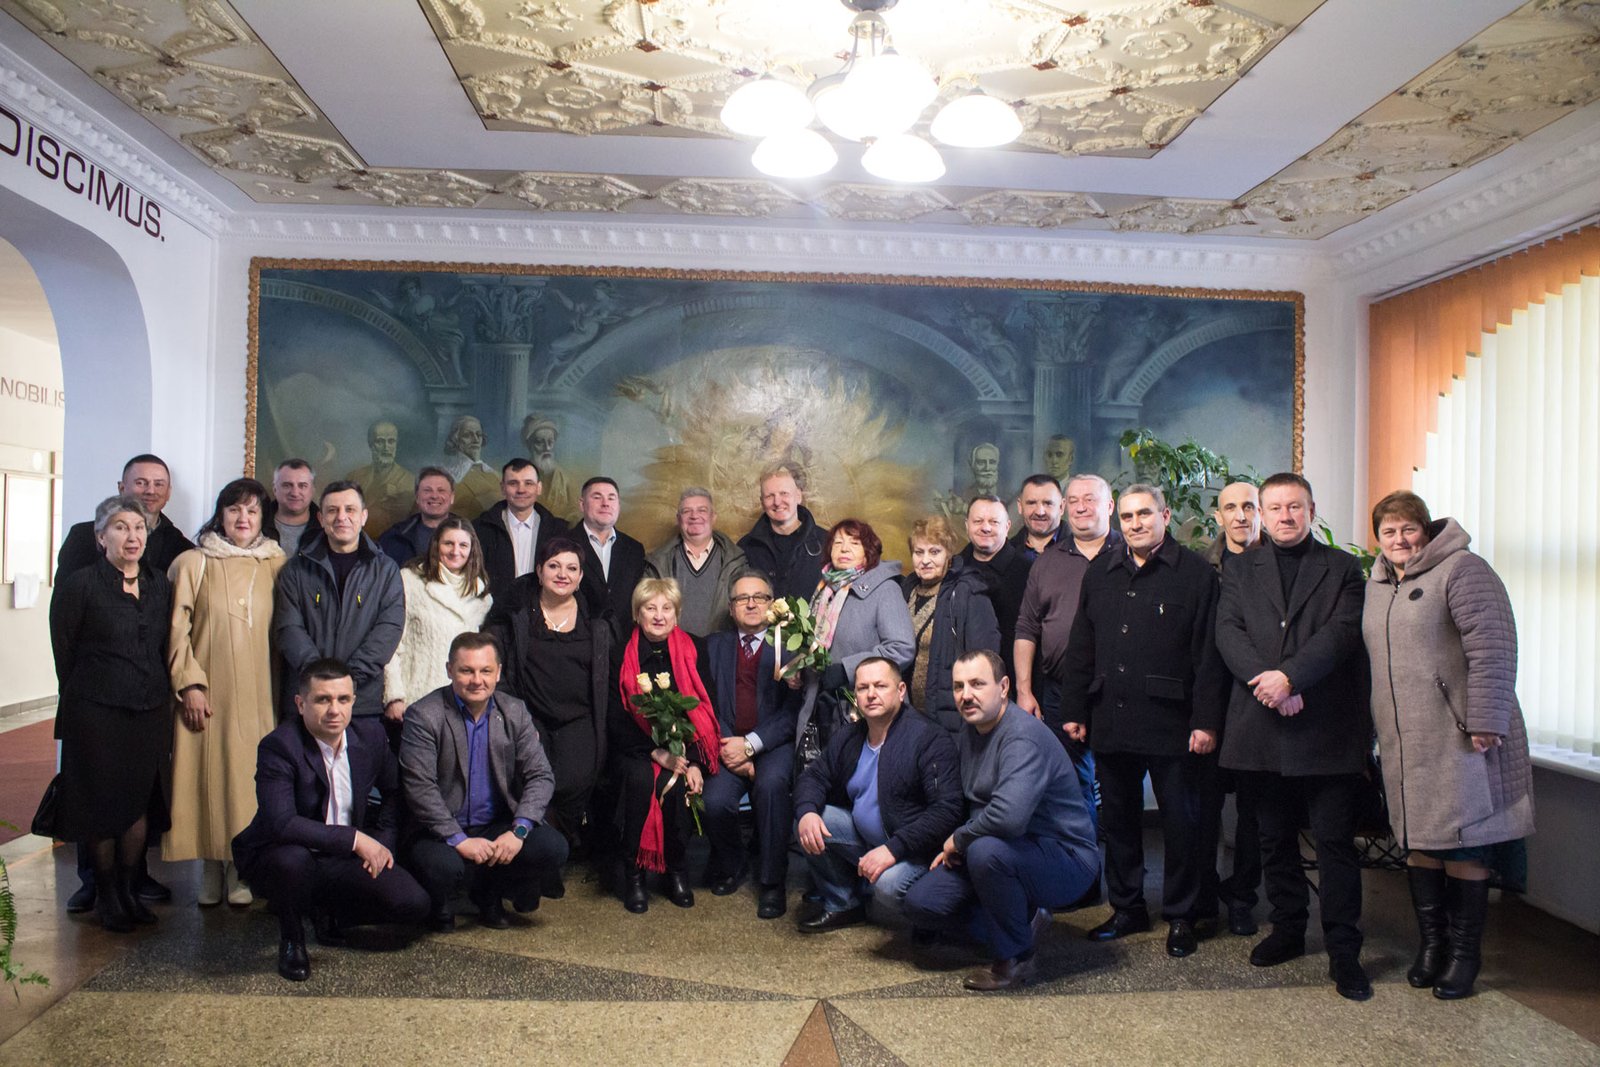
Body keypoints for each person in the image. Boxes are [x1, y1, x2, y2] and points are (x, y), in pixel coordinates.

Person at [1363, 490, 1534, 1001]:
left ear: (1427, 530)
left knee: (1464, 842)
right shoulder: (1376, 584)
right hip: (1401, 741)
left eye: (1408, 529)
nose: (1399, 539)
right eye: (1388, 531)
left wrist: (1486, 719)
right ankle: (1432, 948)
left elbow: (1494, 648)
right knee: (1420, 844)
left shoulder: (1463, 570)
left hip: (1459, 735)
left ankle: (1463, 956)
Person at [1216, 472, 1374, 1002]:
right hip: (1261, 724)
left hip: (1325, 727)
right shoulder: (1240, 569)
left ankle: (1344, 950)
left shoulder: (1343, 568)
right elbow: (1228, 633)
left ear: (1311, 510)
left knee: (1334, 844)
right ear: (1262, 513)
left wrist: (1291, 678)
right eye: (1276, 508)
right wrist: (1270, 684)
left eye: (1295, 507)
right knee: (1273, 838)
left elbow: (1341, 635)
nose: (1285, 516)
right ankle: (1288, 929)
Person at [1060, 484, 1230, 958]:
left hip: (1173, 722)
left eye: (1145, 514)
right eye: (1128, 516)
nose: (1135, 523)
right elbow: (1082, 645)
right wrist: (1074, 710)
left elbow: (1209, 657)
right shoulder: (1101, 572)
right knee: (1118, 821)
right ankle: (1128, 908)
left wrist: (1206, 722)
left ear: (1165, 515)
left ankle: (1182, 915)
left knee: (1181, 823)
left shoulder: (1195, 574)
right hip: (1111, 716)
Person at [902, 651, 1100, 991]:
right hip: (1003, 849)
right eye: (958, 686)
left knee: (985, 853)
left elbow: (1009, 818)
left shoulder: (1021, 737)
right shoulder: (972, 730)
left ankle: (1015, 958)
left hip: (1065, 858)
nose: (966, 695)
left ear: (1004, 687)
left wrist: (958, 840)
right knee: (922, 904)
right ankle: (1025, 918)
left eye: (977, 684)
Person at [231, 660, 431, 982]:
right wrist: (356, 839)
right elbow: (282, 822)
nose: (334, 710)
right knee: (292, 863)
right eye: (322, 699)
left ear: (354, 701)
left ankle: (328, 909)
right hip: (284, 851)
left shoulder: (371, 736)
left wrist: (382, 841)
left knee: (412, 904)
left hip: (342, 857)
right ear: (301, 704)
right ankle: (293, 938)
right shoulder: (280, 746)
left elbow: (395, 792)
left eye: (343, 699)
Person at [56, 456, 190, 911]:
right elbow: (64, 645)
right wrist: (83, 694)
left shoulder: (167, 564)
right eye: (141, 482)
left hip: (147, 704)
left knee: (137, 800)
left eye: (158, 484)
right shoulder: (81, 561)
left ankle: (130, 886)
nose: (150, 491)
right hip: (95, 705)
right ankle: (99, 887)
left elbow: (167, 637)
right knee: (95, 800)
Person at [164, 477, 287, 908]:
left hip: (260, 694)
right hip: (207, 694)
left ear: (263, 517)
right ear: (221, 514)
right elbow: (176, 631)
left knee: (248, 782)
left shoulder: (277, 564)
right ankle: (210, 867)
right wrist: (190, 684)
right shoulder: (193, 563)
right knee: (207, 778)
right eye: (235, 509)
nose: (243, 518)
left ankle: (240, 868)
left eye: (252, 510)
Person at [400, 633, 570, 930]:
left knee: (551, 847)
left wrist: (519, 830)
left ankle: (489, 895)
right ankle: (440, 902)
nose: (477, 680)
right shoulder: (424, 715)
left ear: (498, 673)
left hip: (494, 824)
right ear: (449, 670)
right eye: (467, 671)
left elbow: (541, 775)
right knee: (444, 868)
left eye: (485, 671)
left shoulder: (514, 711)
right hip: (437, 831)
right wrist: (459, 840)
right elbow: (420, 790)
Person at [792, 657, 963, 933]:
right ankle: (844, 903)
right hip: (867, 838)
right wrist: (807, 812)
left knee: (888, 886)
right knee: (809, 820)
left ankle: (925, 918)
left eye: (880, 686)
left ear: (901, 690)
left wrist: (893, 849)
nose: (871, 694)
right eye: (863, 688)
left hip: (914, 851)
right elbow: (814, 776)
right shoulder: (850, 735)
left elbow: (947, 810)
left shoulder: (928, 738)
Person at [485, 537, 614, 848]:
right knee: (533, 779)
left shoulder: (597, 622)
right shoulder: (514, 616)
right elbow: (496, 670)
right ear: (539, 571)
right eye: (554, 566)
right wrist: (516, 718)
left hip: (580, 717)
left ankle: (558, 843)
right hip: (530, 715)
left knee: (574, 781)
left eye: (571, 568)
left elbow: (608, 676)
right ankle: (543, 850)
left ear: (580, 577)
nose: (562, 574)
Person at [1014, 473, 1120, 845]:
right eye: (1073, 500)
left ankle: (1123, 875)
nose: (1080, 507)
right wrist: (1024, 690)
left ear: (1109, 506)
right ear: (1065, 508)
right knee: (1071, 784)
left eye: (1089, 499)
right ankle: (1083, 864)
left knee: (1119, 785)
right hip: (1061, 691)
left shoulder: (1129, 555)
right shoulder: (1048, 561)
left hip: (1119, 693)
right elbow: (1027, 627)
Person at [611, 578, 722, 913]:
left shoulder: (695, 648)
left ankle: (676, 868)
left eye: (666, 608)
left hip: (685, 748)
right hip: (634, 747)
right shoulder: (620, 652)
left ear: (677, 614)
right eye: (650, 608)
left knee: (679, 785)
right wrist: (655, 752)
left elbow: (705, 705)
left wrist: (696, 762)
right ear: (637, 614)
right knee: (642, 780)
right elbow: (614, 716)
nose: (659, 616)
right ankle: (635, 873)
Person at [702, 572, 803, 919]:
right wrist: (729, 745)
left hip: (772, 745)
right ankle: (734, 863)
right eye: (742, 598)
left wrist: (751, 746)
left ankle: (772, 881)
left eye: (759, 597)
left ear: (772, 605)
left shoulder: (790, 646)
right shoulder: (713, 647)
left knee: (772, 788)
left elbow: (794, 711)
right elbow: (706, 702)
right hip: (726, 741)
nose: (750, 604)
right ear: (731, 609)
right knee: (714, 802)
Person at [273, 481, 406, 726]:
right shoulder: (296, 570)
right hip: (307, 704)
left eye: (350, 509)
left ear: (363, 516)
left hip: (362, 704)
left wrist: (347, 682)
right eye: (332, 510)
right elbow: (289, 628)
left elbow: (388, 631)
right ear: (321, 518)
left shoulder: (386, 571)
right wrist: (321, 682)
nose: (341, 517)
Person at [795, 519, 916, 752]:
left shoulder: (885, 589)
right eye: (837, 543)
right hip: (820, 707)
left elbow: (901, 647)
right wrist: (799, 667)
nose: (844, 549)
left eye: (854, 543)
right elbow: (815, 643)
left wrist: (846, 670)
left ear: (868, 551)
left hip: (865, 710)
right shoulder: (823, 590)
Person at [1203, 480, 1265, 937]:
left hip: (1258, 701)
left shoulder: (1279, 564)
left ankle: (1243, 896)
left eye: (1249, 506)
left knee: (1254, 811)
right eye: (1231, 508)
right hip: (1210, 701)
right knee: (1202, 806)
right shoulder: (1201, 567)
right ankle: (1204, 896)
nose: (1240, 516)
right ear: (1218, 516)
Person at [382, 518, 493, 721]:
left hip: (462, 707)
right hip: (416, 700)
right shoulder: (410, 580)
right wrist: (394, 696)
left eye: (463, 545)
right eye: (448, 543)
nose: (455, 551)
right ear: (436, 545)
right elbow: (393, 644)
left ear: (472, 550)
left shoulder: (481, 594)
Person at [897, 516, 1000, 732]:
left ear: (948, 555)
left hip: (951, 715)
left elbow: (984, 659)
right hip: (907, 715)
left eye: (934, 552)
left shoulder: (967, 592)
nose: (925, 560)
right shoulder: (907, 590)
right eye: (919, 552)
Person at [647, 487, 748, 637]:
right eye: (687, 511)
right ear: (678, 519)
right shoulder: (658, 563)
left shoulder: (736, 561)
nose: (694, 516)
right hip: (673, 648)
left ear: (713, 517)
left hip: (722, 647)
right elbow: (647, 612)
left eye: (702, 510)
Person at [959, 494, 1034, 678]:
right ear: (967, 525)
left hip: (1012, 679)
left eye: (994, 522)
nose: (985, 528)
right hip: (961, 678)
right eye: (978, 521)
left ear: (1007, 527)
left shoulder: (1028, 571)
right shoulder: (954, 569)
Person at [476, 457, 570, 601]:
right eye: (513, 483)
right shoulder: (481, 528)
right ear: (502, 488)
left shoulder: (559, 531)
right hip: (495, 611)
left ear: (539, 488)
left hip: (544, 609)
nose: (521, 490)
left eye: (528, 483)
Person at [576, 476, 653, 640]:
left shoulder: (634, 549)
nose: (605, 503)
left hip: (624, 643)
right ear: (582, 504)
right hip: (577, 641)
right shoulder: (564, 544)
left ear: (618, 506)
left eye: (611, 498)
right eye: (597, 497)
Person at [738, 465, 826, 602]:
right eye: (769, 496)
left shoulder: (826, 542)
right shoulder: (745, 547)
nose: (777, 502)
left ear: (798, 496)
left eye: (784, 493)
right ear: (762, 502)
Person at [343, 419, 414, 537]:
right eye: (380, 441)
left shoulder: (409, 481)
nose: (386, 447)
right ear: (371, 444)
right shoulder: (353, 477)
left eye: (391, 441)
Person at [377, 467, 457, 565]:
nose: (434, 496)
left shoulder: (470, 535)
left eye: (441, 490)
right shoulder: (394, 537)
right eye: (427, 490)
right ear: (417, 497)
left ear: (452, 497)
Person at [438, 415, 501, 519]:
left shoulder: (495, 475)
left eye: (479, 435)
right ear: (455, 439)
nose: (475, 440)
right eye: (467, 435)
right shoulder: (446, 476)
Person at [521, 414, 577, 521]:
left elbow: (575, 511)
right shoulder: (519, 477)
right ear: (529, 444)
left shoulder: (565, 478)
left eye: (550, 442)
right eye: (539, 442)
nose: (547, 448)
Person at [266, 458, 320, 555]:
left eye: (302, 486)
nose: (295, 493)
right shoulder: (258, 524)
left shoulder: (325, 527)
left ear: (312, 490)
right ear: (275, 490)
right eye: (287, 485)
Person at [1012, 474, 1066, 560]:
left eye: (1048, 503)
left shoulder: (1082, 550)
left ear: (1061, 507)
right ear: (1020, 506)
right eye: (1031, 503)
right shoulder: (1007, 553)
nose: (1040, 512)